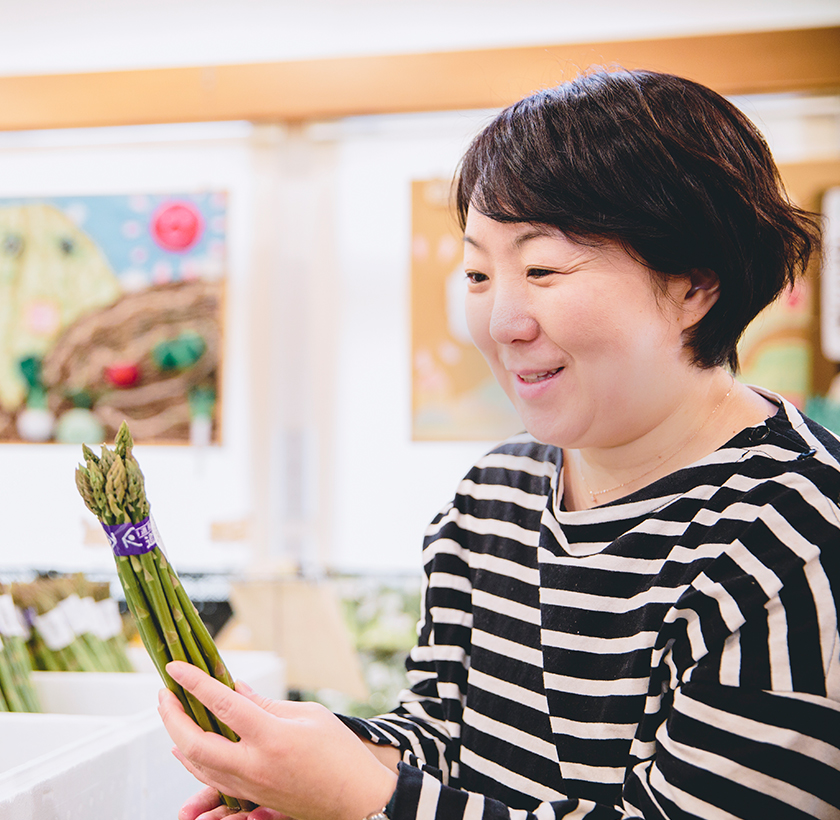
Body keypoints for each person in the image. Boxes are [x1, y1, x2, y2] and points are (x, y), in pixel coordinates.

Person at [158, 68, 840, 820]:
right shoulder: (495, 494)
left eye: (542, 268)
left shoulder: (798, 535)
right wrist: (308, 769)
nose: (502, 320)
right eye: (479, 273)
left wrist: (359, 799)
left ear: (692, 285)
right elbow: (442, 739)